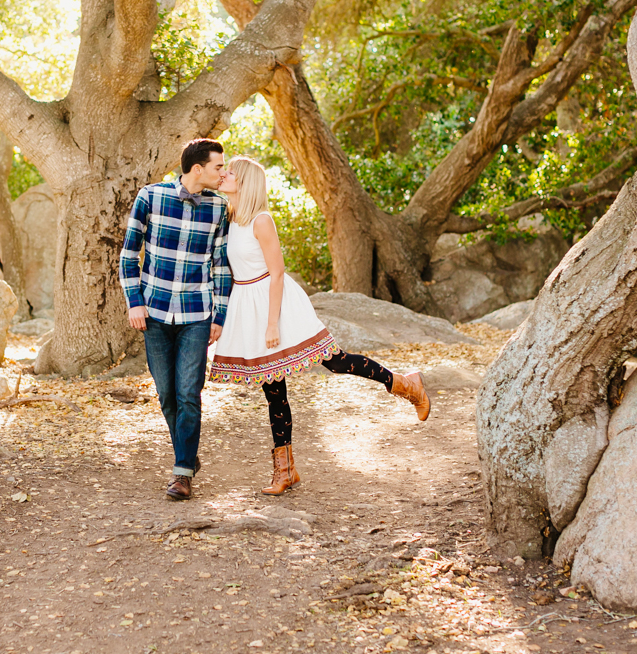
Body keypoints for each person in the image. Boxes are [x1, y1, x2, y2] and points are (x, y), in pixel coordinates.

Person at [210, 157, 430, 496]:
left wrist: (272, 324)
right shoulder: (230, 217)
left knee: (335, 362)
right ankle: (286, 471)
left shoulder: (261, 220)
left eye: (230, 172)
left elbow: (277, 273)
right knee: (273, 390)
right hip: (247, 303)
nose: (224, 174)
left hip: (276, 304)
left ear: (246, 182)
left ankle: (405, 384)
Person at [119, 139, 232, 501]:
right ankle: (188, 452)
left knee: (188, 392)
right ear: (198, 169)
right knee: (167, 394)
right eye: (218, 167)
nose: (223, 173)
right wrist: (134, 303)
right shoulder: (150, 197)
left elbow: (221, 266)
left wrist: (219, 315)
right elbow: (128, 255)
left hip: (197, 313)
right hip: (153, 312)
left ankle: (182, 472)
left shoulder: (219, 207)